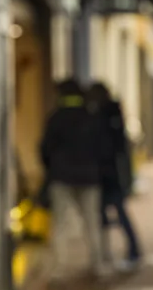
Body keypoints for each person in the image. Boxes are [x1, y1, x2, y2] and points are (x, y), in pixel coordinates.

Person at [40, 78, 112, 277]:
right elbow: (104, 148)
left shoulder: (56, 118)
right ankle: (97, 265)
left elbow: (45, 148)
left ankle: (59, 270)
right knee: (92, 221)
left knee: (61, 224)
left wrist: (51, 169)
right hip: (89, 177)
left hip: (61, 176)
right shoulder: (91, 117)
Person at [87, 82, 142, 268]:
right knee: (113, 214)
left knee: (111, 214)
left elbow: (109, 148)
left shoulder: (102, 117)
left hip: (107, 175)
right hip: (110, 174)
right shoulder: (112, 116)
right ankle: (111, 254)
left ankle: (109, 254)